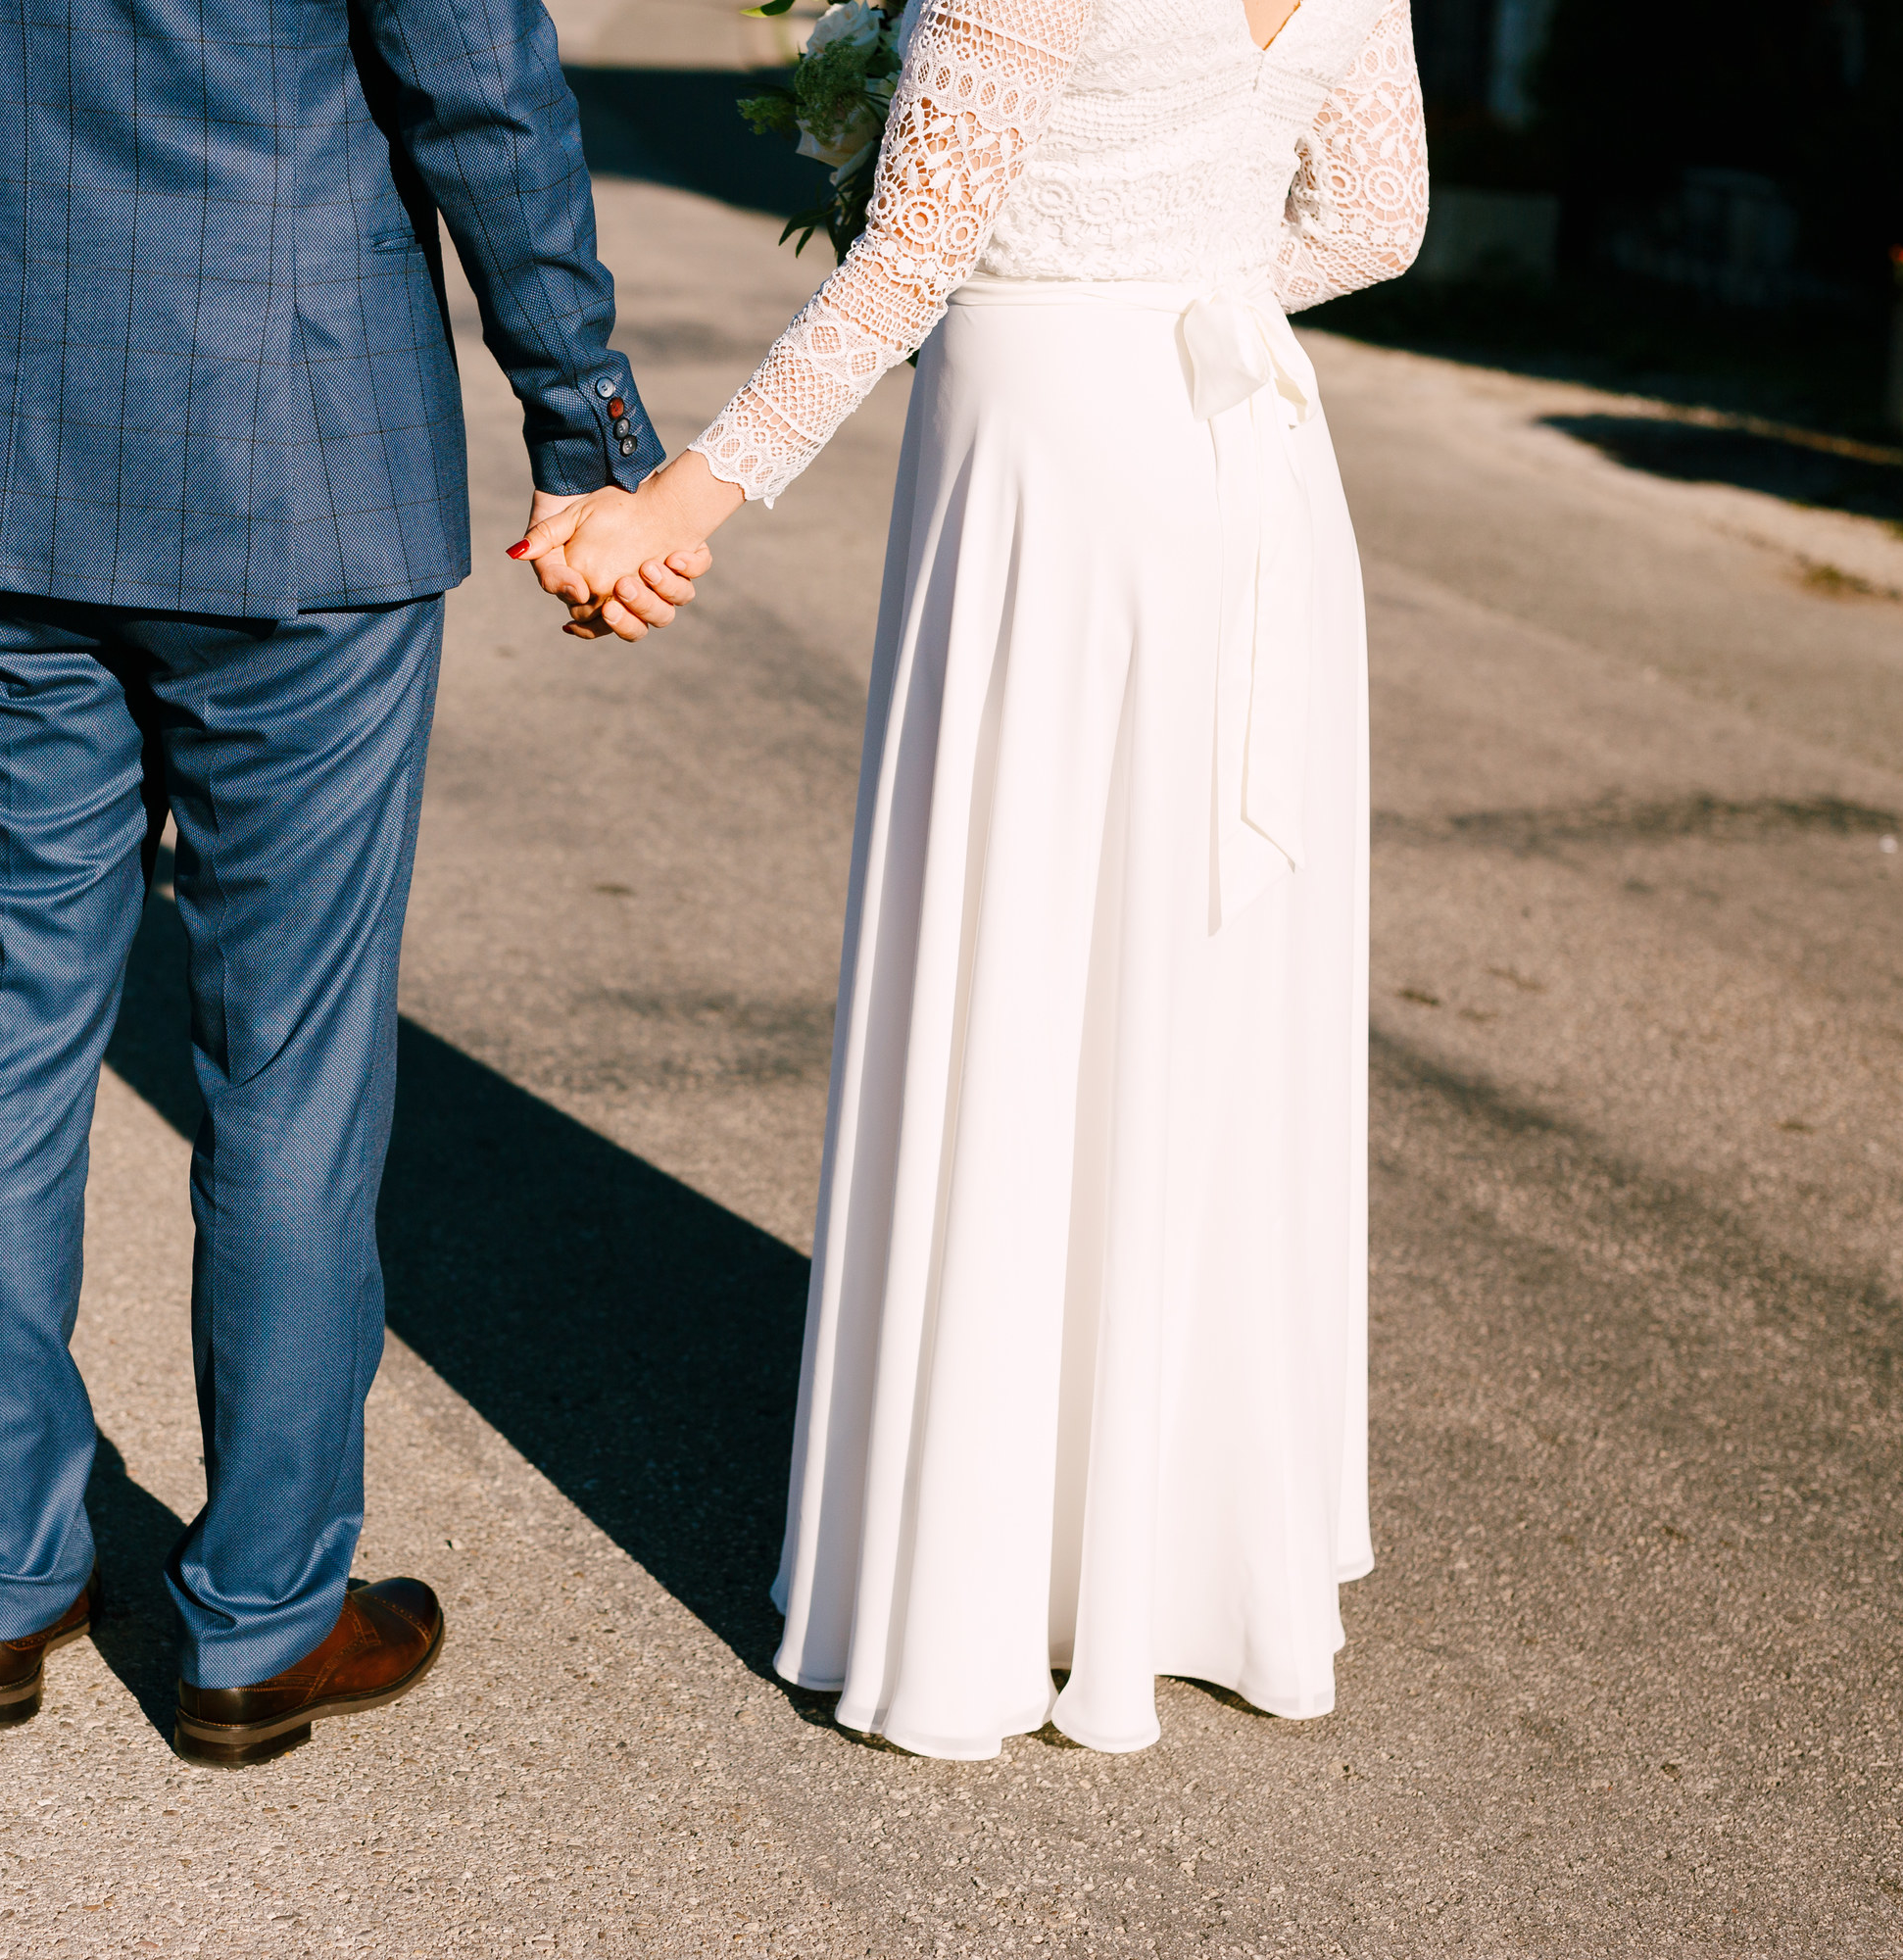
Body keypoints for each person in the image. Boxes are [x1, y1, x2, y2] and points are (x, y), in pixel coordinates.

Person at [0, 0, 704, 1762]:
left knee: (2, 1032)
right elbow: (483, 95)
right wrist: (585, 424)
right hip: (296, 462)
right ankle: (262, 1621)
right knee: (289, 1062)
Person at [518, 0, 1428, 1757]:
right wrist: (1191, 283)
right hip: (1248, 468)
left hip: (1053, 476)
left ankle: (980, 1578)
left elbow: (907, 264)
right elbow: (1374, 225)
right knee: (1200, 991)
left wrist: (672, 507)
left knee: (1023, 990)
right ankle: (1189, 1556)